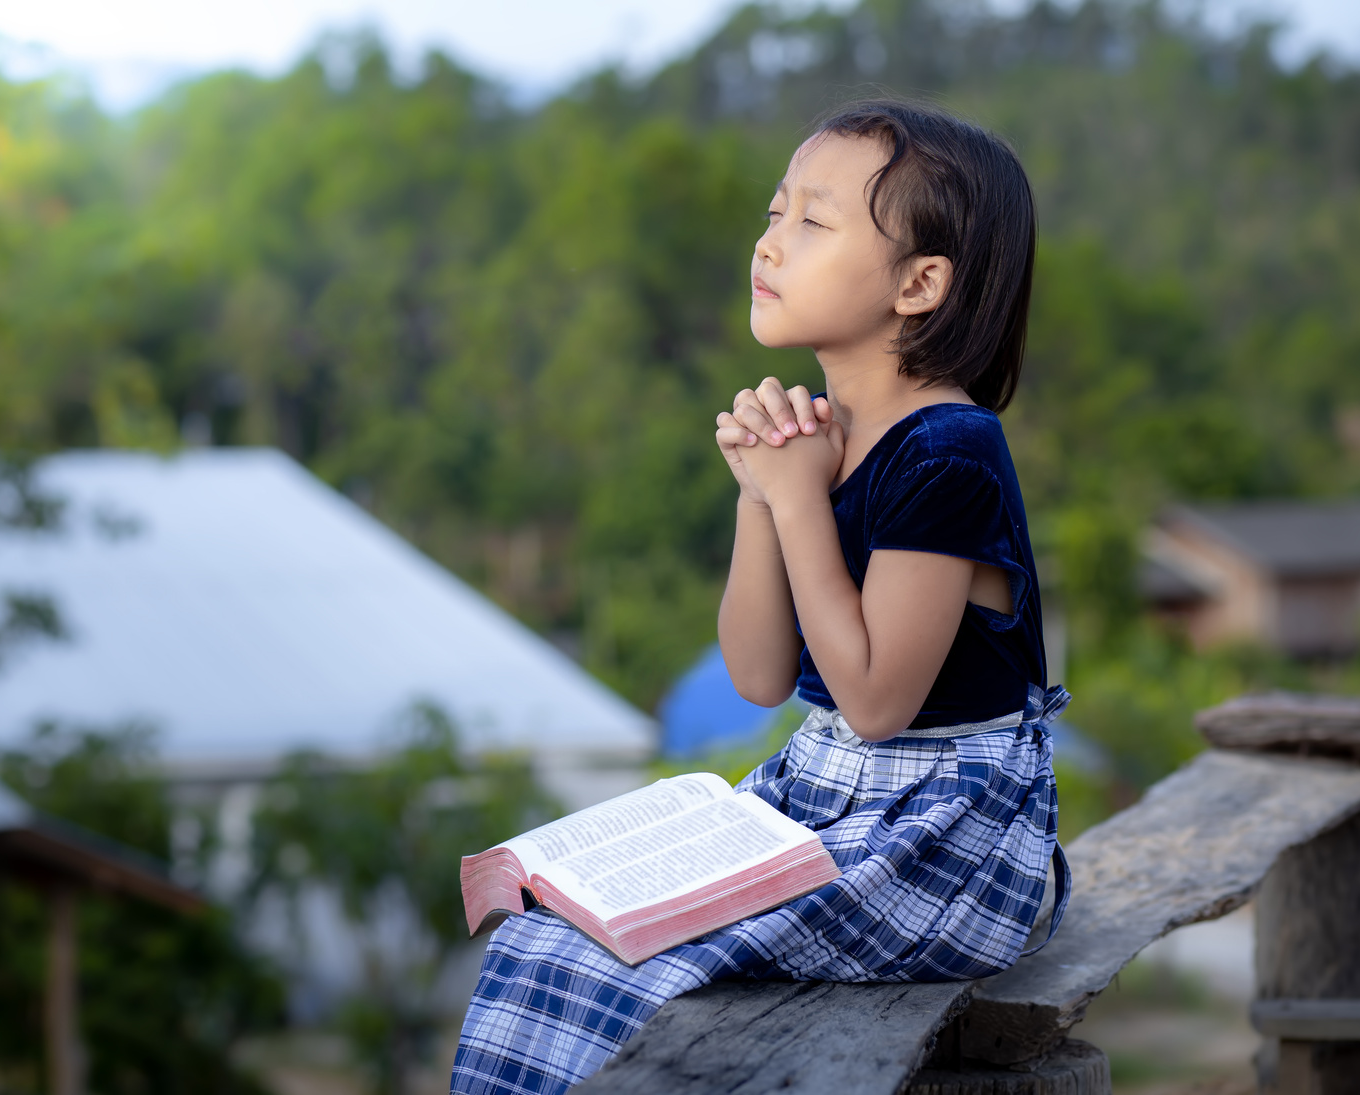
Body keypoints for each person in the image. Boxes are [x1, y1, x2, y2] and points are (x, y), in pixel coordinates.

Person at [450, 98, 1069, 1095]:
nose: (769, 243)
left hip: (941, 841)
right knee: (540, 934)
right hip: (826, 799)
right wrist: (764, 497)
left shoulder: (949, 448)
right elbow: (757, 673)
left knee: (613, 967)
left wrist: (795, 501)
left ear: (920, 283)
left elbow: (873, 704)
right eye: (775, 213)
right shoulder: (823, 435)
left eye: (813, 223)